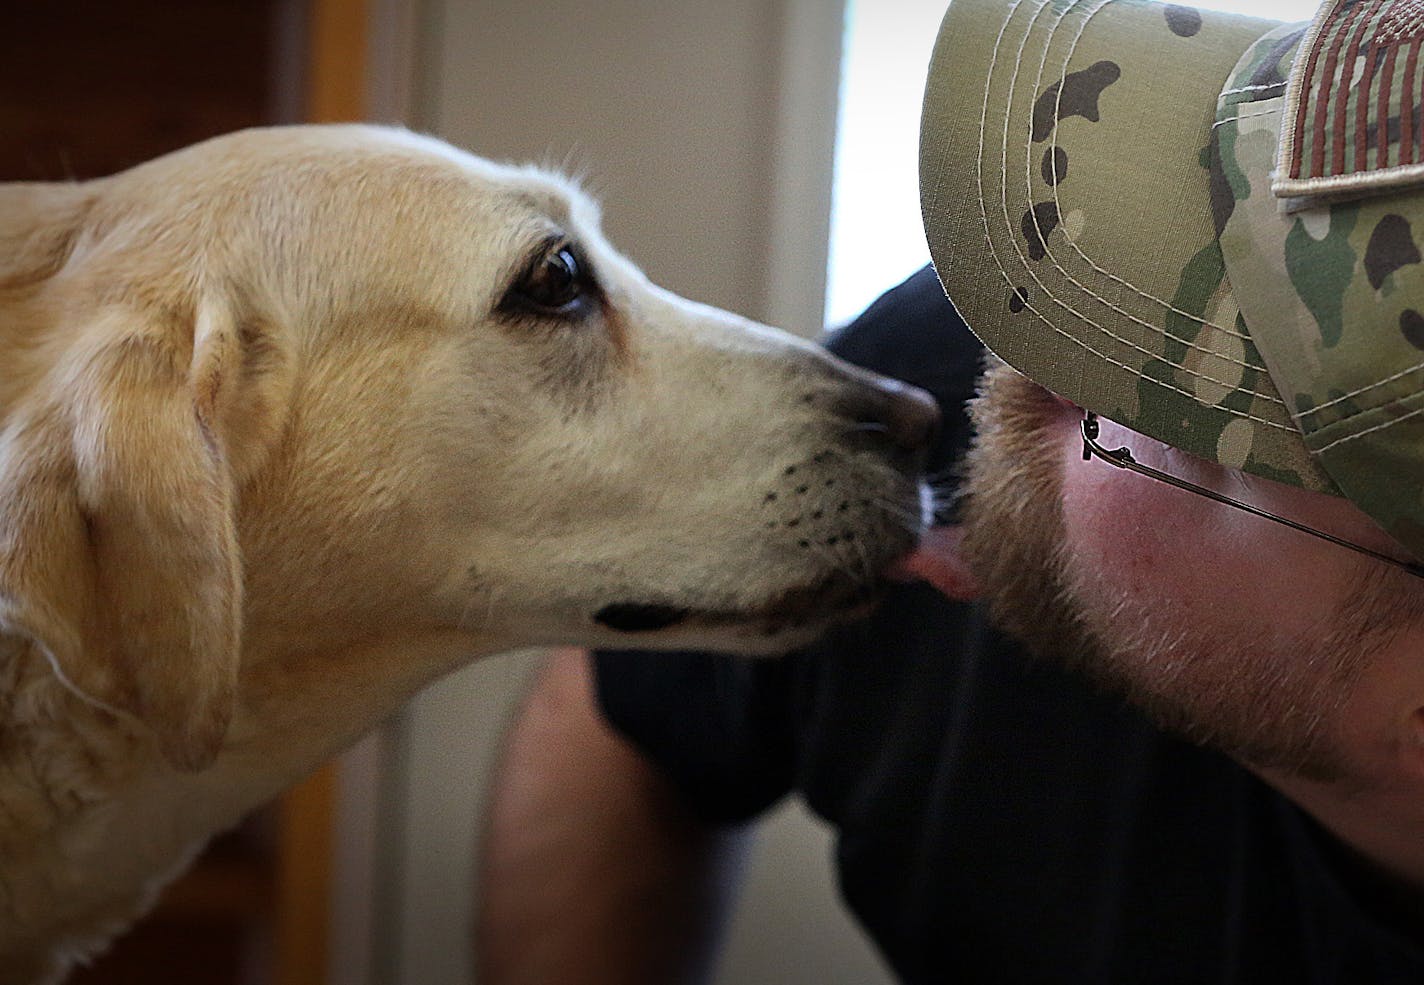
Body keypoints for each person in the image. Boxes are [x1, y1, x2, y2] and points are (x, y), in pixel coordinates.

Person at [478, 1, 1424, 982]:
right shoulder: (970, 379)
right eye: (1208, 195)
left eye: (1196, 389)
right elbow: (626, 701)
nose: (1040, 340)